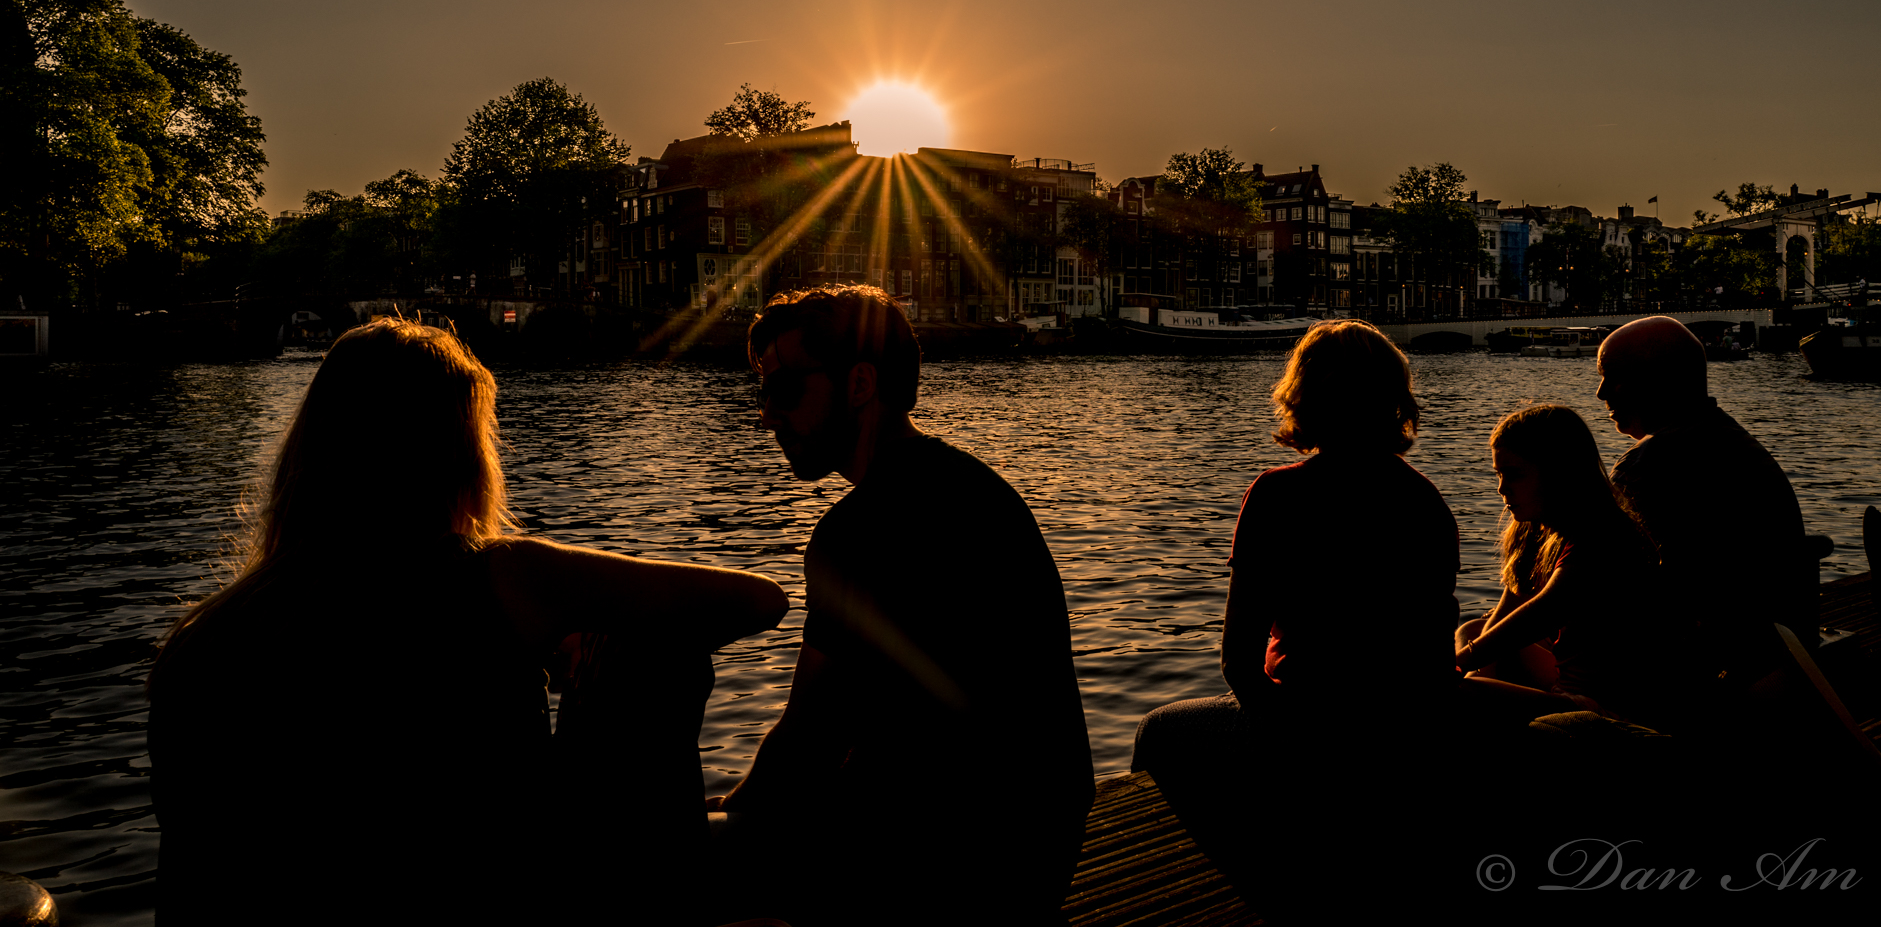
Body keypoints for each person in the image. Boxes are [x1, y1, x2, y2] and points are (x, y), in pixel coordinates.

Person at [145, 318, 787, 925]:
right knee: (648, 648)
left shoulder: (203, 638)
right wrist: (580, 633)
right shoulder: (499, 578)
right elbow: (757, 600)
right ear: (454, 454)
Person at [711, 285, 1093, 926]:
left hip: (942, 876)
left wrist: (728, 812)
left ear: (859, 385)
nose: (767, 416)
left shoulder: (853, 534)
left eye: (783, 390)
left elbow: (806, 744)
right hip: (1043, 850)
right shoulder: (985, 492)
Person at [1129, 319, 1459, 903]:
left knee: (1159, 733)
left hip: (1313, 718)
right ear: (1394, 400)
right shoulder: (1425, 500)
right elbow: (1432, 647)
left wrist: (1306, 747)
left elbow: (1238, 662)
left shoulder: (1278, 495)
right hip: (1407, 727)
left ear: (1306, 397)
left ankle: (1203, 894)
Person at [1594, 315, 1814, 678]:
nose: (1602, 393)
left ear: (1656, 381)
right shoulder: (1735, 444)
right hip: (1777, 655)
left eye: (1613, 378)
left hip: (1712, 674)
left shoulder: (1648, 466)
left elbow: (1605, 584)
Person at [1453, 404, 1681, 728]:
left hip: (1608, 709)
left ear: (1558, 472)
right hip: (1567, 686)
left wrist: (1455, 670)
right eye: (1499, 474)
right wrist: (1463, 668)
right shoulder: (1536, 529)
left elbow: (1539, 614)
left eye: (1514, 474)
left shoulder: (1603, 539)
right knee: (1474, 630)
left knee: (1453, 688)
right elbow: (1507, 615)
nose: (1502, 489)